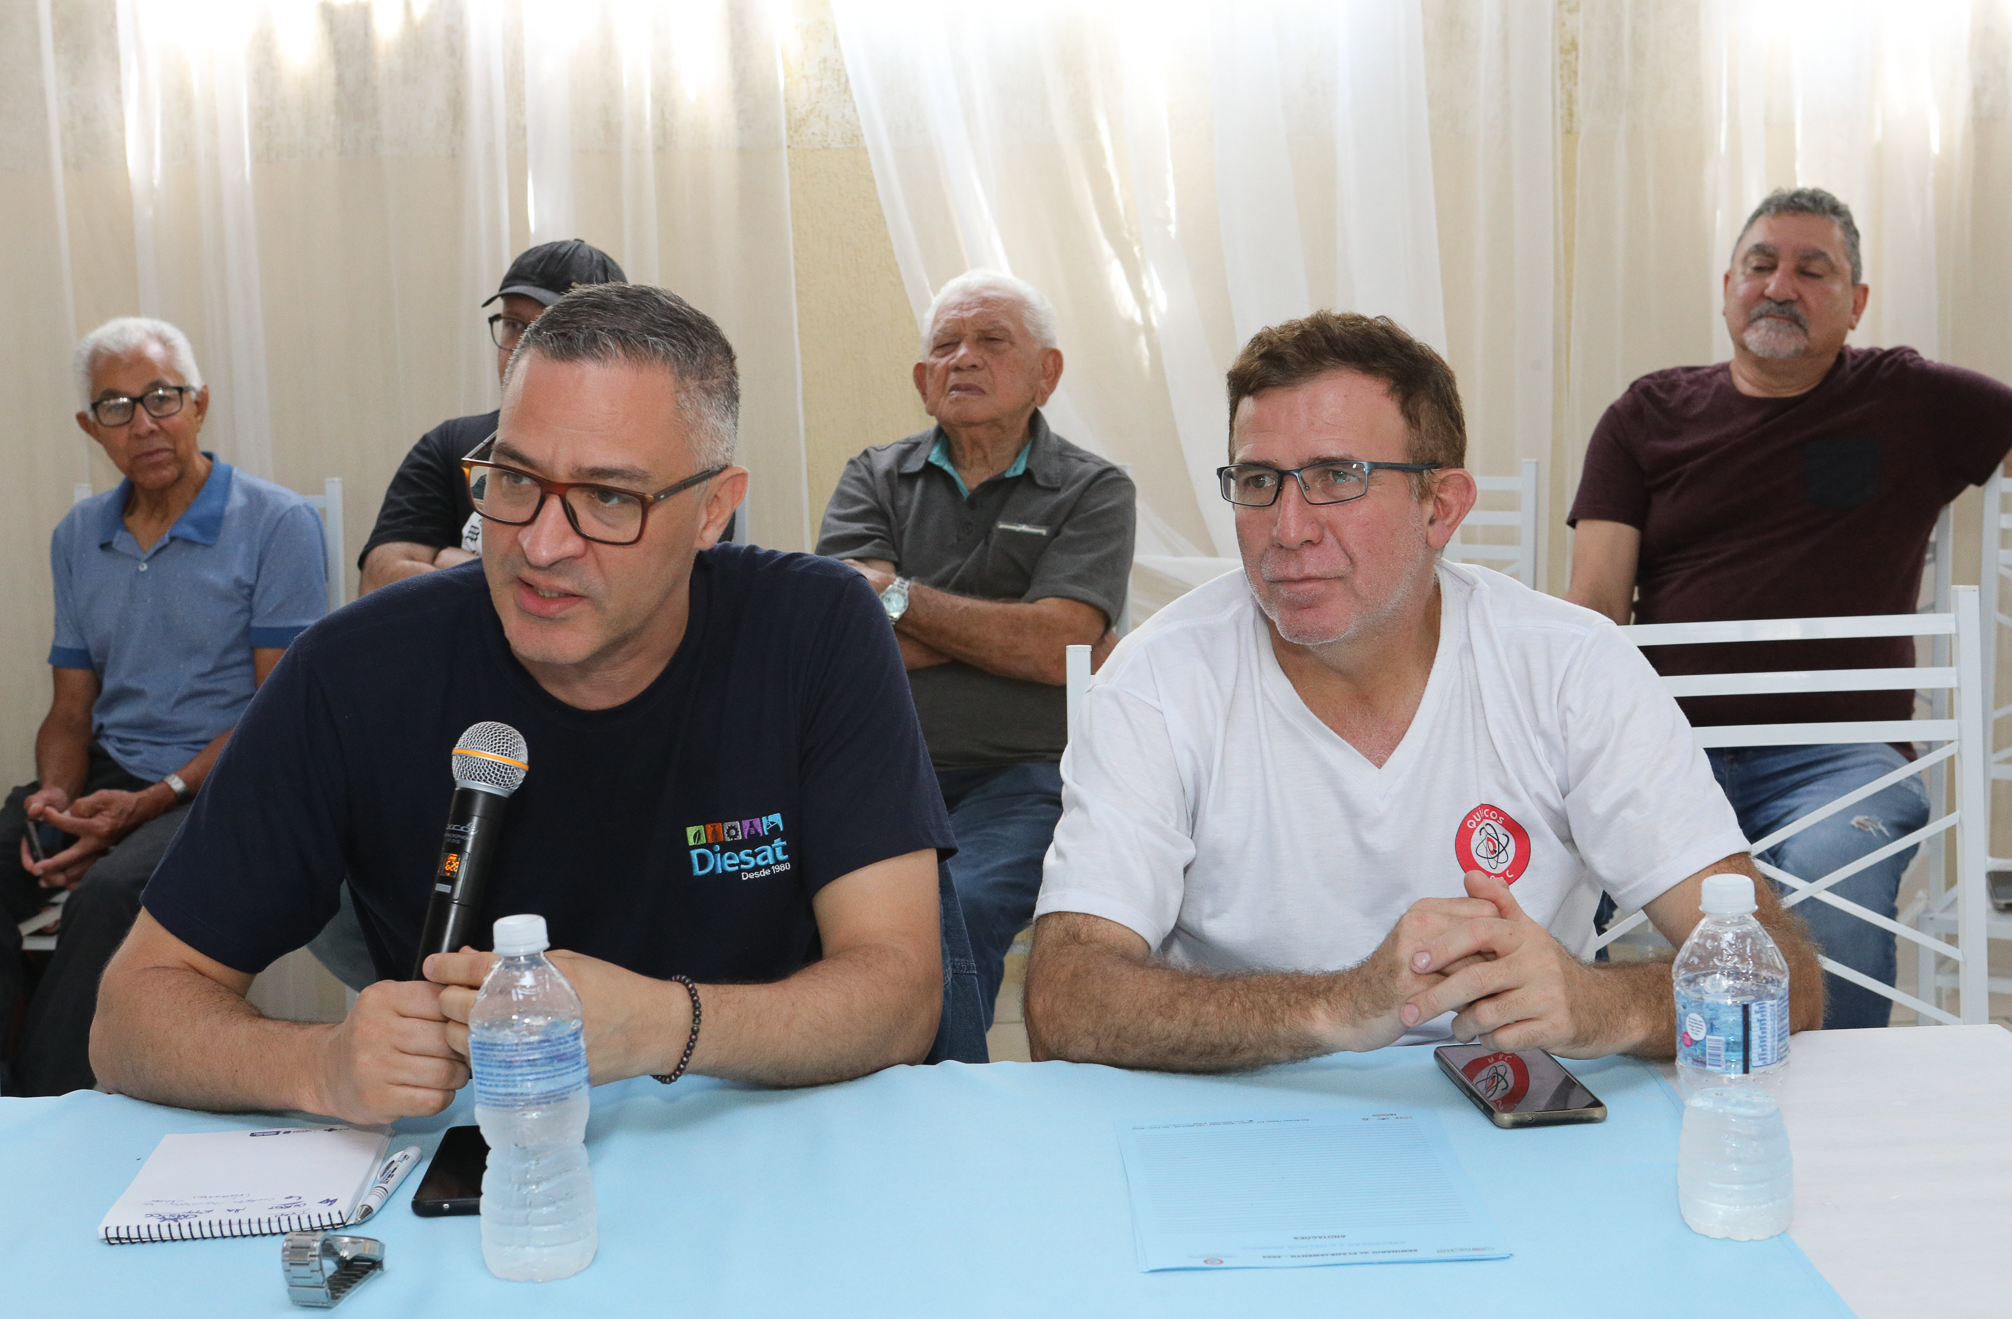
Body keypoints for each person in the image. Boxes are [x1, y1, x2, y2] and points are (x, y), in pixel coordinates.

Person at [92, 284, 967, 1124]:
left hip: (774, 1141)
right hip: (496, 1167)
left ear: (713, 511)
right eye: (514, 482)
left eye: (608, 497)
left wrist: (663, 1025)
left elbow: (897, 997)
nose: (542, 547)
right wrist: (318, 1065)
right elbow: (130, 1018)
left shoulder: (813, 630)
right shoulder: (354, 668)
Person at [1024, 311, 1823, 1072]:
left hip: (1520, 1117)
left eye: (1336, 476)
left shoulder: (1571, 667)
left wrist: (1599, 1007)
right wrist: (1339, 1008)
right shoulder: (1157, 680)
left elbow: (1783, 981)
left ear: (1440, 506)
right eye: (1260, 480)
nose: (1288, 526)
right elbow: (1066, 998)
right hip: (1242, 1120)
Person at [1565, 186, 2012, 1029]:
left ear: (1855, 304)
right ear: (1727, 286)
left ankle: (1838, 1124)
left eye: (1811, 269)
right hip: (1668, 744)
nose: (1779, 285)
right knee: (1555, 872)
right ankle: (1591, 1103)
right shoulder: (1645, 414)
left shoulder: (1913, 400)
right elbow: (1595, 609)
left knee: (1836, 882)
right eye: (1760, 265)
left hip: (1837, 757)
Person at [0, 318, 326, 1095]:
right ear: (92, 428)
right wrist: (55, 795)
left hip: (221, 781)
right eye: (116, 407)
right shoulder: (79, 535)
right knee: (16, 844)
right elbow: (70, 712)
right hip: (111, 773)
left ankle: (49, 1111)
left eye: (161, 398)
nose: (143, 423)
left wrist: (153, 800)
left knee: (112, 895)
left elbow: (277, 716)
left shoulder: (277, 523)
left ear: (199, 404)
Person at [817, 270, 1135, 1027]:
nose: (964, 358)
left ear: (1045, 373)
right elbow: (843, 643)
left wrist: (896, 596)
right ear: (923, 380)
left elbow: (1058, 641)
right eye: (946, 346)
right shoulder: (873, 475)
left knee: (961, 907)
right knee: (811, 904)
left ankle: (936, 1100)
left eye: (991, 341)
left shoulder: (1092, 490)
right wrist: (1013, 634)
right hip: (881, 766)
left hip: (1022, 777)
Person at [357, 239, 625, 596]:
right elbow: (378, 585)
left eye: (554, 331)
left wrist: (452, 563)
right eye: (514, 325)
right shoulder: (450, 445)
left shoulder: (633, 461)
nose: (524, 349)